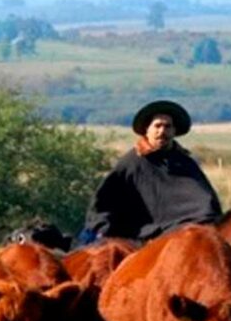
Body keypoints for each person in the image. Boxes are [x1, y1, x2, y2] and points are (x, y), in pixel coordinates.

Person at [80, 100, 222, 243]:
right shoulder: (132, 163)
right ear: (147, 130)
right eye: (157, 126)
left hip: (184, 231)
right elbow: (105, 202)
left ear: (174, 131)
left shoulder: (185, 163)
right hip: (141, 235)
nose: (162, 131)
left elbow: (205, 201)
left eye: (168, 126)